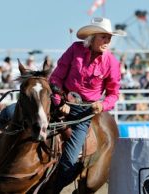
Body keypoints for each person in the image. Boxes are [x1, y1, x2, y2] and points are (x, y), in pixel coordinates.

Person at [47, 17, 125, 193]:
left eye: (109, 38)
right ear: (92, 37)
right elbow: (56, 78)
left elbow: (113, 94)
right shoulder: (75, 49)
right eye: (103, 37)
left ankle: (50, 190)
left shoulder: (111, 62)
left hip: (84, 113)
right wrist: (59, 102)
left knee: (69, 160)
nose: (107, 41)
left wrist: (103, 105)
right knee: (18, 117)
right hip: (61, 101)